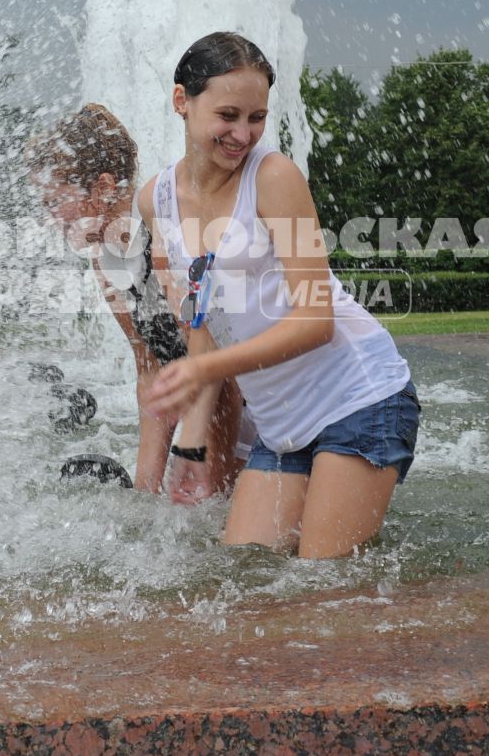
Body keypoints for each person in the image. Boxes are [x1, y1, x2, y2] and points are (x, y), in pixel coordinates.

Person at [142, 32, 419, 560]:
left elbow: (317, 321)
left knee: (324, 585)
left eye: (257, 117)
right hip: (282, 424)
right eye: (228, 115)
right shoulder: (156, 201)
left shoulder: (274, 178)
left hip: (359, 398)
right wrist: (192, 446)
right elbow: (199, 328)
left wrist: (205, 369)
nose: (243, 134)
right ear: (182, 101)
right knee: (248, 575)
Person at [28, 104, 247, 503]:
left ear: (104, 187)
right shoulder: (103, 256)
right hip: (221, 413)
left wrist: (217, 486)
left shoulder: (165, 234)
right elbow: (149, 368)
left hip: (263, 414)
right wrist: (145, 495)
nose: (48, 220)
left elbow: (223, 379)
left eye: (53, 203)